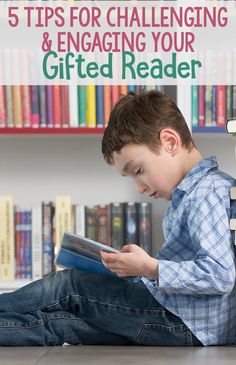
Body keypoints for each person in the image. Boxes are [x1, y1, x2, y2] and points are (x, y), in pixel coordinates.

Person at [0, 91, 235, 347]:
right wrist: (141, 269)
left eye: (138, 171)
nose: (140, 187)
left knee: (69, 284)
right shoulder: (195, 193)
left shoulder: (205, 192)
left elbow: (220, 275)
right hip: (193, 326)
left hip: (182, 320)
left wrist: (150, 267)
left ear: (169, 142)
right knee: (61, 323)